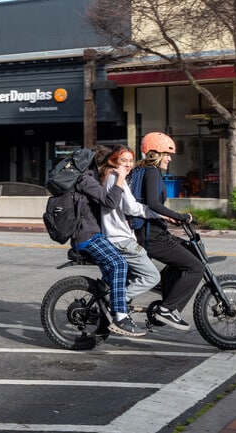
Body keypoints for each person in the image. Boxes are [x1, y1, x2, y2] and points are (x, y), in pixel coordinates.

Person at [134, 132, 205, 331]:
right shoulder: (152, 172)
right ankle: (167, 309)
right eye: (167, 154)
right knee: (196, 268)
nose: (170, 158)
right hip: (151, 235)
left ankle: (164, 286)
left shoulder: (143, 170)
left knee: (188, 250)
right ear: (155, 152)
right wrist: (180, 216)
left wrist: (169, 217)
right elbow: (153, 203)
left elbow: (148, 206)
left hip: (152, 230)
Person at [73, 148, 146, 338]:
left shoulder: (96, 179)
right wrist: (120, 177)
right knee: (118, 263)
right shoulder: (86, 180)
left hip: (97, 235)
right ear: (105, 163)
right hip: (86, 236)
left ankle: (103, 307)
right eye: (115, 164)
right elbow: (111, 202)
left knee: (119, 273)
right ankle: (120, 316)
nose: (116, 168)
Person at [99, 145, 162, 311]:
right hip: (121, 240)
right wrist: (159, 213)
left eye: (130, 161)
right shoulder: (115, 177)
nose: (128, 164)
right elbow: (131, 208)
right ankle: (116, 301)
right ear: (114, 161)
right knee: (152, 276)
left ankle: (120, 300)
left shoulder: (112, 177)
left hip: (118, 237)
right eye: (123, 160)